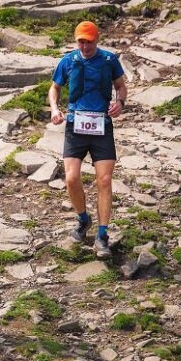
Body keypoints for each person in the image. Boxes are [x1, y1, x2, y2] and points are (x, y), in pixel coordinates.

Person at [48, 20, 127, 259]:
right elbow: (54, 88)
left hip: (102, 126)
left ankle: (102, 235)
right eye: (81, 42)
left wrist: (120, 103)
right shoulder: (68, 61)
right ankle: (84, 219)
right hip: (76, 126)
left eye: (89, 42)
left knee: (104, 180)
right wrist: (54, 108)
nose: (85, 46)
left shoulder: (109, 60)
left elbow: (121, 86)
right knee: (71, 178)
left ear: (97, 40)